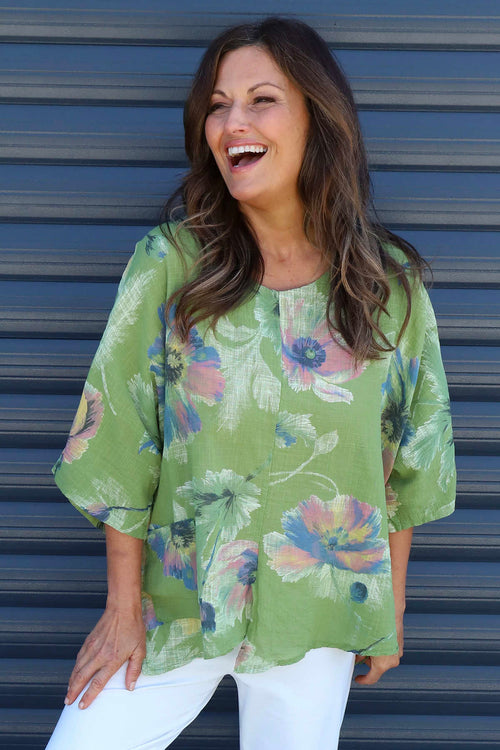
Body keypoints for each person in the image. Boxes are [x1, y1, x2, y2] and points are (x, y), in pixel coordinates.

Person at [45, 16, 456, 750]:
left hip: (318, 611)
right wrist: (122, 609)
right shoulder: (171, 266)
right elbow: (119, 440)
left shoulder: (387, 288)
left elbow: (408, 460)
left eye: (261, 99)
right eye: (217, 105)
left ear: (318, 118)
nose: (232, 122)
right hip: (177, 606)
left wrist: (388, 610)